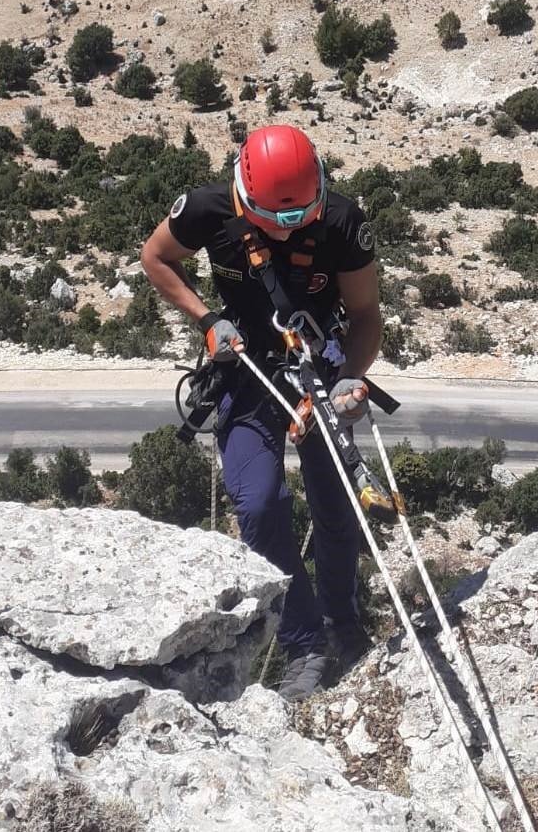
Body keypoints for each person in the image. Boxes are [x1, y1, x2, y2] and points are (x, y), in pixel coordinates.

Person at [140, 123, 382, 701]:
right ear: (245, 198)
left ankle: (342, 623)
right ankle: (304, 644)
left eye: (302, 217)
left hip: (317, 365)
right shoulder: (207, 210)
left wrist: (350, 376)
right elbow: (156, 259)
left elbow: (366, 313)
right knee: (259, 503)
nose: (289, 228)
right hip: (246, 366)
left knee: (336, 504)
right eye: (278, 219)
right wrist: (206, 321)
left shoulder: (343, 221)